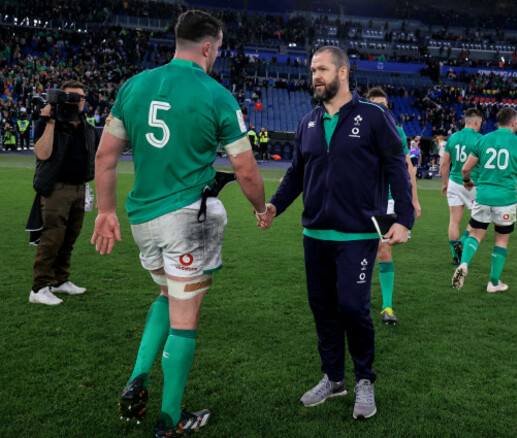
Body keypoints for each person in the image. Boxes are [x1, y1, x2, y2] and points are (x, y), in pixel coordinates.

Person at [91, 10, 270, 437]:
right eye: (219, 48)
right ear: (208, 46)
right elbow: (245, 169)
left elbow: (105, 157)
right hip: (188, 217)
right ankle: (170, 420)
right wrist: (261, 207)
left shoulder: (134, 86)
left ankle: (138, 378)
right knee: (185, 316)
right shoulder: (216, 94)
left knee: (164, 294)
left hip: (142, 218)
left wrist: (105, 210)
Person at [259, 46, 413, 419]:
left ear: (343, 73)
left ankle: (364, 381)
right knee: (323, 309)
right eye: (313, 69)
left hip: (357, 234)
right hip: (315, 236)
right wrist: (275, 206)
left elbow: (396, 168)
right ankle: (333, 378)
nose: (315, 76)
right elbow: (297, 174)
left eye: (322, 69)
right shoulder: (307, 122)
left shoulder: (375, 116)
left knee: (352, 308)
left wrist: (404, 219)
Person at [452, 107, 517, 293]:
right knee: (501, 241)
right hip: (505, 199)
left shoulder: (483, 139)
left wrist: (467, 181)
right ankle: (493, 283)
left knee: (475, 234)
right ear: (514, 122)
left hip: (483, 196)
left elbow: (465, 169)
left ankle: (463, 264)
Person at [29, 80, 98, 305]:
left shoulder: (86, 126)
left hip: (80, 187)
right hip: (57, 188)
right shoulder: (50, 121)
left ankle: (59, 281)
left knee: (69, 238)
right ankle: (39, 288)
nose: (75, 102)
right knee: (52, 238)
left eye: (80, 98)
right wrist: (49, 121)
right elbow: (41, 153)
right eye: (70, 97)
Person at [366, 86, 421, 324]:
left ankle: (387, 307)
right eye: (376, 106)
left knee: (383, 249)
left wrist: (414, 201)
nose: (381, 111)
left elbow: (407, 168)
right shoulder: (356, 130)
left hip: (387, 200)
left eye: (384, 107)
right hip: (360, 200)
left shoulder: (396, 131)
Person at [440, 107, 483, 264]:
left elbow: (445, 163)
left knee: (454, 221)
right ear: (476, 122)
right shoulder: (480, 139)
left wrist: (445, 183)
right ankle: (463, 242)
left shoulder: (453, 137)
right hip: (473, 184)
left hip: (454, 183)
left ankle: (454, 255)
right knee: (477, 220)